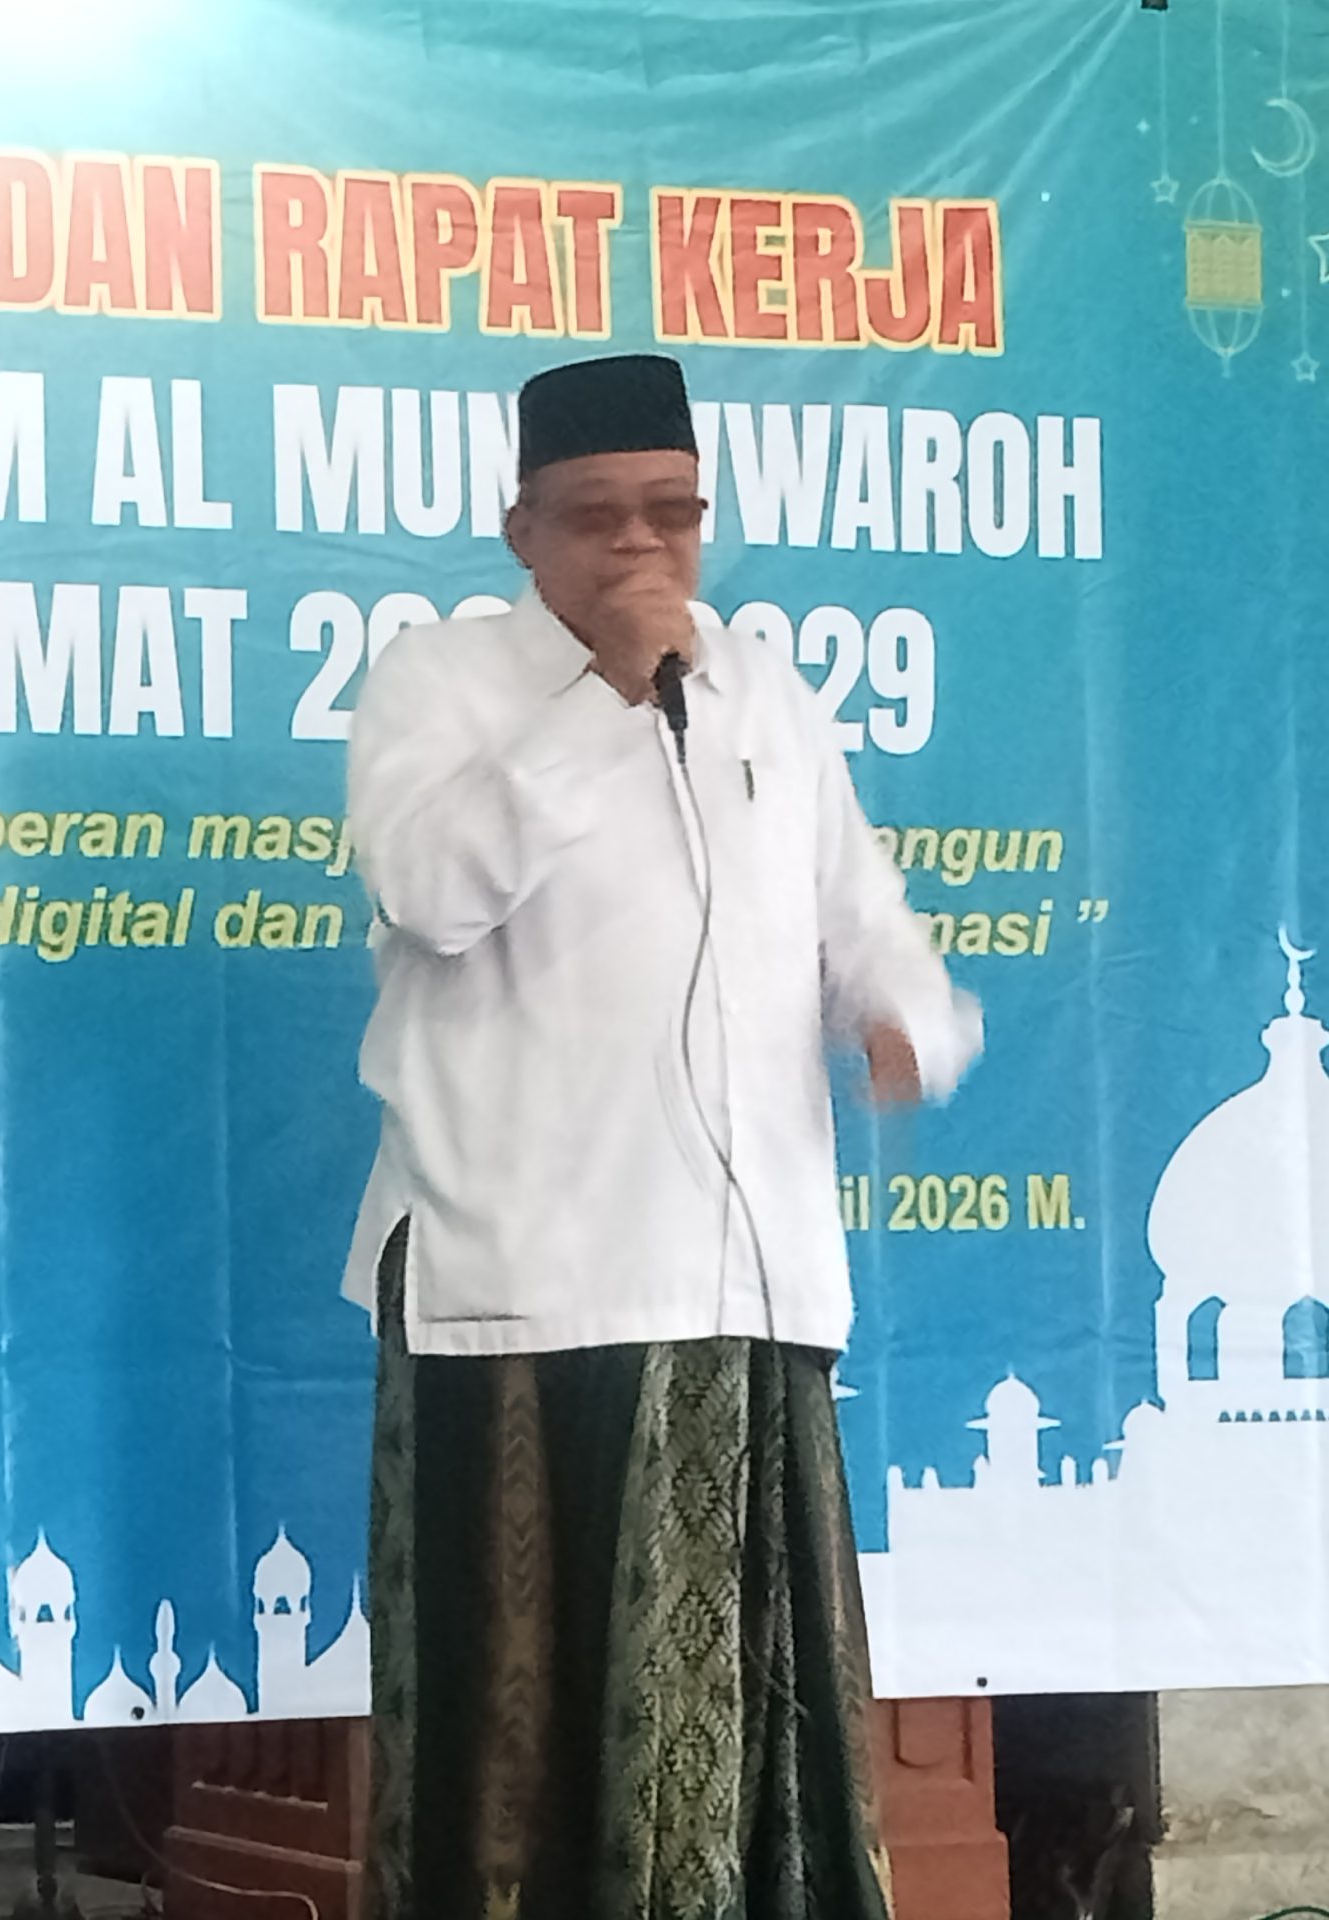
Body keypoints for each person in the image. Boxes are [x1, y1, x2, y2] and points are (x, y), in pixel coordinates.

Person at [342, 352, 980, 1920]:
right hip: (521, 1281)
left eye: (673, 513)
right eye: (598, 517)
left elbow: (864, 922)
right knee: (516, 1723)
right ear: (521, 530)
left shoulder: (762, 688)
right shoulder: (441, 682)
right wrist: (605, 696)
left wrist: (906, 1020)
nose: (641, 546)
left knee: (749, 1710)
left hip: (744, 1279)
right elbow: (429, 891)